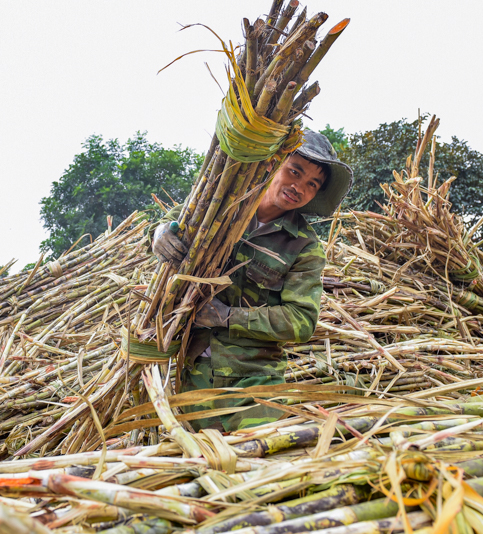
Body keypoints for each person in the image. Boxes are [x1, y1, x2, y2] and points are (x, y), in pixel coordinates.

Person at [151, 130, 352, 432]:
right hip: (186, 373)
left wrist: (228, 317)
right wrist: (159, 234)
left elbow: (301, 320)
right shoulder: (220, 207)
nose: (299, 187)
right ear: (273, 164)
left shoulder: (304, 247)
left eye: (312, 184)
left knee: (259, 462)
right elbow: (172, 224)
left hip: (253, 383)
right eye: (294, 171)